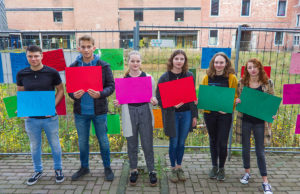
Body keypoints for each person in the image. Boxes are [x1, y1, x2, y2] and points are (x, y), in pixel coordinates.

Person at [68, 35, 115, 181]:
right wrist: (74, 95)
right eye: (83, 47)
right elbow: (69, 89)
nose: (86, 50)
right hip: (81, 112)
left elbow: (111, 86)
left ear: (94, 48)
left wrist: (100, 94)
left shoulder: (103, 66)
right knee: (82, 142)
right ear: (78, 48)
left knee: (103, 141)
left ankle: (107, 167)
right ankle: (84, 167)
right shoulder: (73, 67)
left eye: (89, 47)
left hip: (99, 111)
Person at [16, 45, 64, 185]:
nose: (33, 59)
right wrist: (22, 109)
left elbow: (61, 91)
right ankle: (38, 170)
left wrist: (51, 107)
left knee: (55, 145)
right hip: (31, 119)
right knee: (35, 146)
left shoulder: (52, 72)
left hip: (50, 118)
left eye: (36, 56)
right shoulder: (21, 74)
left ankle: (58, 169)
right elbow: (21, 93)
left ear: (42, 56)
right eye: (30, 56)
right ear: (27, 57)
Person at [113, 50, 158, 186]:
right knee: (131, 143)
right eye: (132, 61)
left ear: (141, 62)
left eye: (137, 61)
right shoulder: (123, 79)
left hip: (145, 111)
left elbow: (154, 96)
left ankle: (151, 170)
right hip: (129, 112)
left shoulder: (148, 78)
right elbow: (120, 100)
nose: (135, 63)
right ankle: (133, 169)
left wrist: (154, 100)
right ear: (128, 62)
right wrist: (118, 102)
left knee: (147, 143)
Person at [156, 50, 198, 183]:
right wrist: (171, 104)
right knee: (173, 142)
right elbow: (159, 98)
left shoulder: (189, 75)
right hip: (172, 114)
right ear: (172, 60)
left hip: (186, 114)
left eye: (182, 59)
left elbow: (192, 97)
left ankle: (180, 167)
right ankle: (173, 168)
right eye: (176, 59)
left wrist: (194, 116)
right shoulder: (165, 77)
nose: (179, 61)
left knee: (181, 142)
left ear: (185, 61)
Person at [236, 58, 275, 194]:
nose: (252, 69)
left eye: (255, 67)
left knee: (260, 152)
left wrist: (273, 113)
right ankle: (247, 173)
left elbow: (272, 101)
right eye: (249, 67)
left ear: (259, 68)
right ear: (246, 69)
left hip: (260, 122)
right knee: (245, 149)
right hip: (245, 120)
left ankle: (265, 182)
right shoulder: (242, 83)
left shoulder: (267, 83)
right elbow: (237, 100)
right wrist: (237, 101)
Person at [201, 52, 238, 181]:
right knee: (213, 141)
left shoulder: (232, 78)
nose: (218, 65)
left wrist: (228, 107)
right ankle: (214, 166)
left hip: (224, 115)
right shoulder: (207, 77)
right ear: (213, 63)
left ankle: (222, 168)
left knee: (222, 143)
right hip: (210, 114)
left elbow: (235, 96)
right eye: (216, 62)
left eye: (221, 62)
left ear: (226, 63)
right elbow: (204, 95)